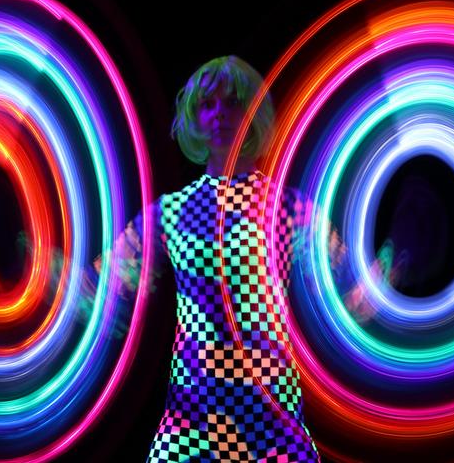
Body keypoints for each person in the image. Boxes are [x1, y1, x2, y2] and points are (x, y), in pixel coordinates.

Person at [103, 56, 389, 461]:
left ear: (253, 113)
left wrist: (394, 268)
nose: (221, 112)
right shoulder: (169, 212)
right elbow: (108, 294)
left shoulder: (289, 210)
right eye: (209, 103)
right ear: (194, 116)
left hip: (269, 413)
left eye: (234, 102)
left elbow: (353, 302)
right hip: (194, 413)